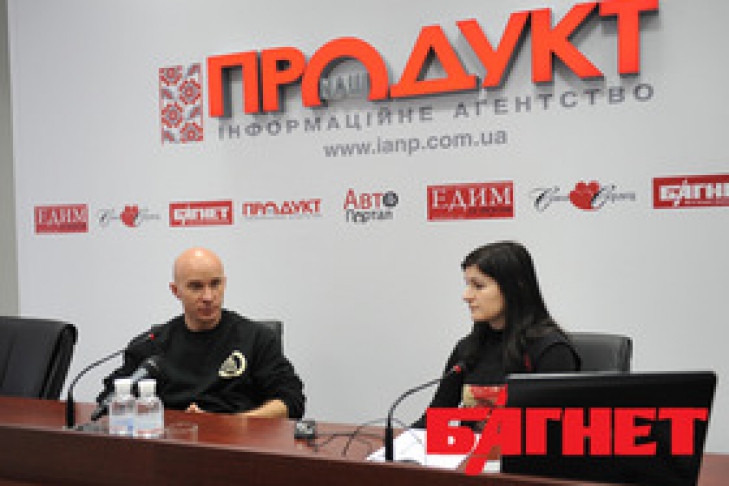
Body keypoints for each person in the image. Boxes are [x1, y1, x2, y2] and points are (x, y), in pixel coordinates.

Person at [97, 247, 305, 419]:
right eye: (196, 287)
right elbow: (109, 399)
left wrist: (231, 423)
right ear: (176, 291)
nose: (208, 297)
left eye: (215, 284)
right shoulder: (152, 345)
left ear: (224, 283)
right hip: (171, 446)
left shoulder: (257, 339)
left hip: (238, 444)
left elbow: (291, 401)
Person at [413, 241, 580, 428]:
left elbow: (556, 431)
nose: (466, 296)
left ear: (515, 287)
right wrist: (397, 442)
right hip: (470, 447)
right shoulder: (467, 349)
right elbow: (434, 418)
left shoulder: (551, 350)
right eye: (467, 285)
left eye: (478, 286)